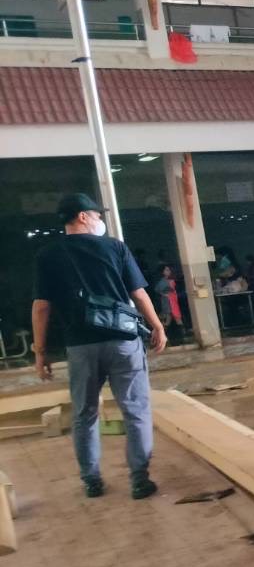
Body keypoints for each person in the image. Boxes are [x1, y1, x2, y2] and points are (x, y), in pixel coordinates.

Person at [31, 193, 167, 499]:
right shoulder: (115, 248)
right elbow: (139, 294)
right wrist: (157, 325)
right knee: (136, 411)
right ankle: (139, 479)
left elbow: (41, 307)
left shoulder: (48, 255)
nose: (99, 221)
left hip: (80, 346)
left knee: (85, 414)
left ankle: (92, 481)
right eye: (96, 215)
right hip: (122, 342)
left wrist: (40, 353)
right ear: (82, 216)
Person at [154, 264, 185, 341]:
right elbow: (158, 290)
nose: (169, 271)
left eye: (169, 270)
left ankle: (178, 337)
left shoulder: (171, 280)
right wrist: (165, 294)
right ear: (162, 272)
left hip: (173, 302)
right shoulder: (162, 282)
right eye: (166, 270)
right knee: (171, 319)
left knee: (172, 319)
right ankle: (179, 337)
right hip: (168, 303)